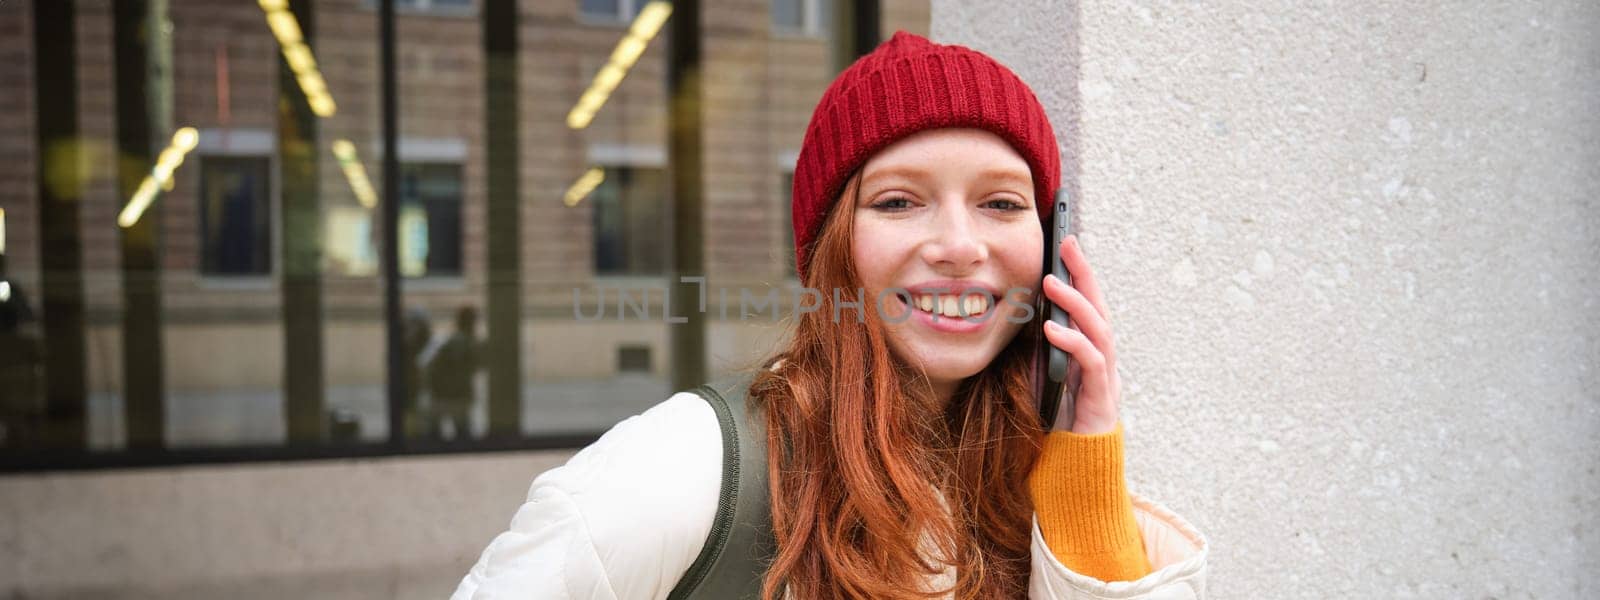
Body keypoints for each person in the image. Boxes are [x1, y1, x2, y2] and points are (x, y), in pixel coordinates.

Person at [452, 31, 1208, 599]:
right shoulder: (692, 465)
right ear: (829, 249)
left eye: (1001, 203)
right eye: (898, 201)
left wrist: (1087, 451)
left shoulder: (1034, 468)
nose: (957, 245)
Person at [428, 305, 482, 440]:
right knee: (462, 433)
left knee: (441, 433)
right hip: (455, 394)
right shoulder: (462, 341)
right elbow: (464, 367)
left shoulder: (454, 339)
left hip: (445, 393)